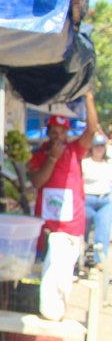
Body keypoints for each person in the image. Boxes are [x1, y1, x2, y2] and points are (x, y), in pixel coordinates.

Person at [28, 90, 98, 320]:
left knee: (60, 267)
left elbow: (91, 129)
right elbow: (37, 181)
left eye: (62, 132)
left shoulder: (76, 150)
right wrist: (52, 159)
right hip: (46, 223)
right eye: (54, 132)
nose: (58, 136)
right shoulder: (40, 155)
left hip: (69, 223)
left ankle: (53, 311)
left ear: (67, 133)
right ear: (48, 133)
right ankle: (50, 308)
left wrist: (89, 100)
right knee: (48, 266)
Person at [82, 133, 112, 267]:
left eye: (101, 146)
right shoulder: (85, 162)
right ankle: (80, 259)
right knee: (83, 232)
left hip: (104, 200)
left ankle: (100, 261)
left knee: (103, 232)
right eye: (97, 146)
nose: (99, 149)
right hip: (87, 199)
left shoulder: (108, 163)